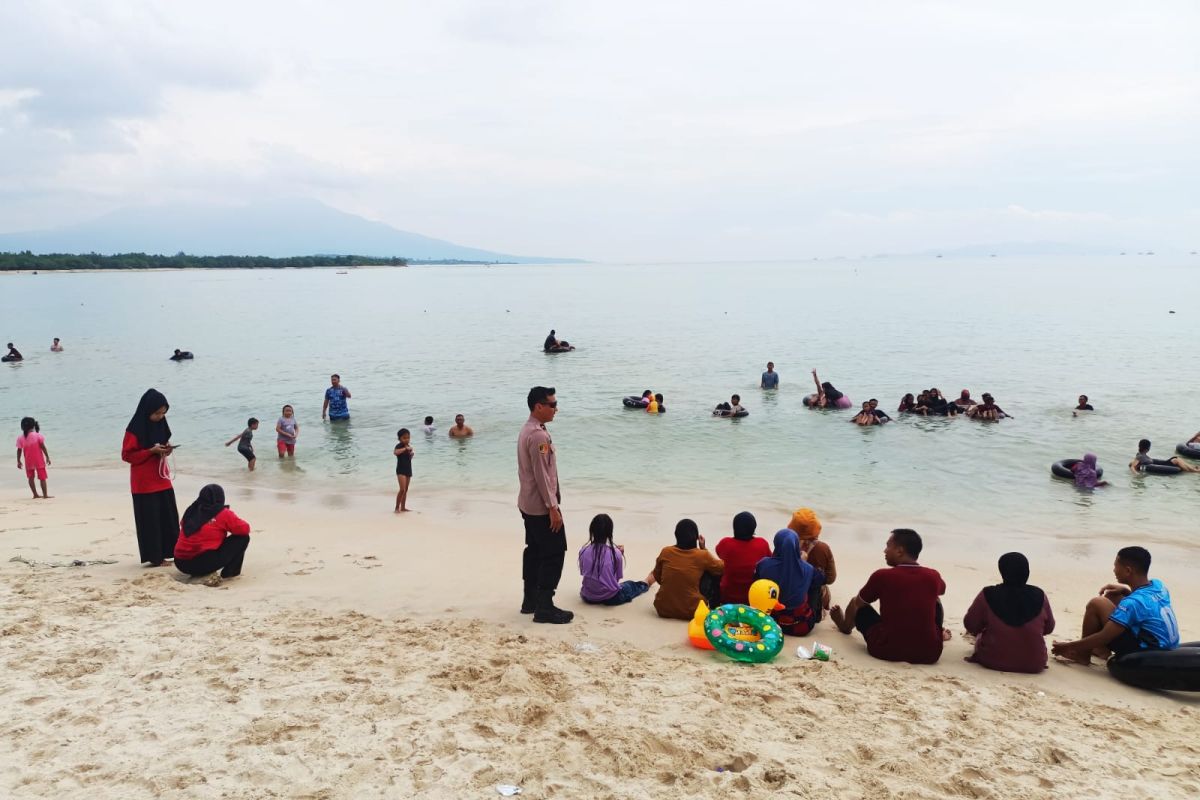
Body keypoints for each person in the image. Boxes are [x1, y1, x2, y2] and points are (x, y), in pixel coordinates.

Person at [830, 529, 948, 664]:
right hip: (930, 653)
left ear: (899, 551)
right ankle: (937, 633)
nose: (884, 551)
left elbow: (859, 602)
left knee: (856, 603)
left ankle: (845, 626)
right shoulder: (933, 575)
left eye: (888, 546)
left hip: (886, 649)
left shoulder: (882, 576)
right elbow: (942, 591)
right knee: (936, 600)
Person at [1051, 546, 1181, 664]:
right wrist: (1125, 591)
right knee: (1113, 596)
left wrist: (1069, 646)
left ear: (1128, 571)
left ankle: (1082, 656)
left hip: (1146, 652)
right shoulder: (1159, 586)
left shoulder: (1133, 602)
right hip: (1162, 644)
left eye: (1116, 566)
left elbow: (1105, 636)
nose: (1114, 570)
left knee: (1096, 603)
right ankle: (1101, 651)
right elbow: (1146, 606)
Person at [517, 386, 572, 624]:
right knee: (555, 552)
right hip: (540, 506)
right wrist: (552, 508)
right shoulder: (538, 435)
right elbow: (541, 473)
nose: (555, 409)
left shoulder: (529, 429)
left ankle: (530, 600)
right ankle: (545, 606)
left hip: (527, 502)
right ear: (538, 406)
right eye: (551, 404)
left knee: (535, 551)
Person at [963, 553, 1055, 673]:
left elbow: (970, 624)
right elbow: (1049, 628)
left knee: (981, 636)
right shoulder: (1040, 595)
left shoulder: (988, 594)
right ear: (1027, 572)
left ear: (1002, 572)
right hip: (1035, 663)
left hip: (992, 659)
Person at [121, 389, 179, 566]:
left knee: (168, 518)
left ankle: (172, 552)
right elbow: (127, 455)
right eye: (157, 413)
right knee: (150, 521)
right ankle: (155, 558)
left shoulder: (161, 425)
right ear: (147, 411)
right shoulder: (134, 429)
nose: (160, 417)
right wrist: (150, 451)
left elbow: (162, 445)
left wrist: (166, 450)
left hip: (162, 478)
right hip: (144, 482)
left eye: (163, 413)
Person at [173, 484, 251, 587]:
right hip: (202, 562)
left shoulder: (191, 510)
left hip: (180, 562)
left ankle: (199, 571)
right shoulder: (223, 513)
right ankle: (230, 573)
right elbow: (245, 529)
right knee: (243, 538)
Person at [755, 529, 826, 636]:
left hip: (770, 623)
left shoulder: (764, 564)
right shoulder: (808, 568)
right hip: (801, 626)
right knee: (815, 583)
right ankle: (816, 616)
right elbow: (822, 579)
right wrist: (803, 562)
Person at [651, 519, 724, 620]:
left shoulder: (666, 551)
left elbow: (658, 577)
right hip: (693, 611)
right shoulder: (702, 555)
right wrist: (703, 548)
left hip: (663, 609)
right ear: (696, 538)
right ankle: (714, 605)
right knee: (713, 571)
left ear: (676, 535)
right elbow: (721, 568)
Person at [578, 513, 653, 606]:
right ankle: (647, 582)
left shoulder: (583, 551)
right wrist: (619, 555)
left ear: (592, 530)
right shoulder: (615, 554)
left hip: (588, 596)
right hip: (611, 598)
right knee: (631, 585)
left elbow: (584, 572)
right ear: (610, 533)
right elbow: (615, 580)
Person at [714, 511, 771, 605]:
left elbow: (719, 553)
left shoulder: (725, 543)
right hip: (752, 599)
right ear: (753, 528)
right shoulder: (762, 544)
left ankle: (713, 603)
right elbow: (770, 560)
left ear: (734, 528)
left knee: (714, 570)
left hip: (728, 598)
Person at [788, 507, 836, 610]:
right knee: (823, 587)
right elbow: (831, 578)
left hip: (788, 593)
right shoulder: (822, 548)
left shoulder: (785, 543)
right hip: (812, 598)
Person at [16, 417, 51, 499]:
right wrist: (47, 457)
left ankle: (35, 494)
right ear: (33, 426)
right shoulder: (38, 435)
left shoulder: (20, 438)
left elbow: (19, 450)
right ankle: (45, 495)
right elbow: (43, 447)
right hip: (39, 461)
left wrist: (18, 461)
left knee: (30, 478)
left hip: (28, 461)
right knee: (42, 478)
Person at [1130, 438, 1200, 474]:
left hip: (1162, 464)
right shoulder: (1140, 456)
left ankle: (1193, 468)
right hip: (1160, 465)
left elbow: (1134, 463)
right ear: (1147, 448)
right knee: (1176, 460)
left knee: (1176, 458)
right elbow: (1133, 466)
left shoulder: (1142, 455)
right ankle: (1194, 471)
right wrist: (1136, 474)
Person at [394, 428, 413, 512]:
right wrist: (405, 449)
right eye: (404, 438)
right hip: (401, 470)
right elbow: (395, 452)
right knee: (402, 489)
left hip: (408, 469)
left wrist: (411, 454)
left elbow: (408, 459)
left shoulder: (408, 447)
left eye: (408, 437)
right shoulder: (399, 446)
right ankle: (397, 507)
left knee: (406, 490)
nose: (407, 439)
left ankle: (403, 507)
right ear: (399, 439)